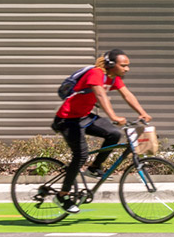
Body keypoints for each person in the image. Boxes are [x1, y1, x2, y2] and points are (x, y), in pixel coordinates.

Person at [50, 49, 152, 213]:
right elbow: (100, 95)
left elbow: (127, 95)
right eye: (124, 65)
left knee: (114, 134)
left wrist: (142, 112)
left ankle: (94, 167)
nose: (127, 69)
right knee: (81, 155)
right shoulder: (96, 73)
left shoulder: (113, 79)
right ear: (111, 64)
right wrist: (113, 116)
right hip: (67, 119)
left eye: (128, 66)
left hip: (83, 117)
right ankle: (62, 196)